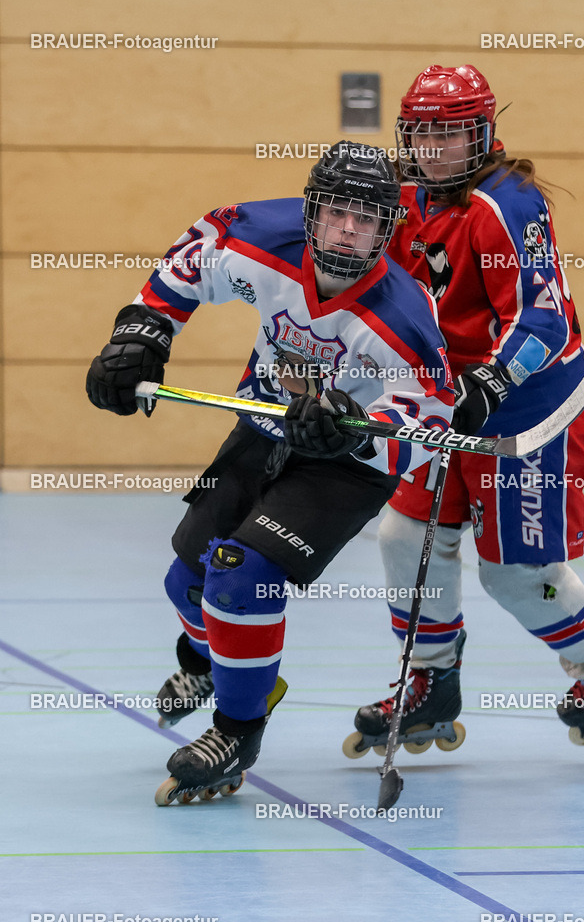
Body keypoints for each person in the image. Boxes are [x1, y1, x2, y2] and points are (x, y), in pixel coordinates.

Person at [86, 142, 455, 801]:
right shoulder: (260, 238)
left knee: (240, 576)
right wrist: (142, 331)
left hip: (347, 465)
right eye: (337, 212)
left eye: (366, 219)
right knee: (187, 577)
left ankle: (237, 728)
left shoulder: (402, 314)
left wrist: (354, 425)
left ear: (385, 230)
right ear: (312, 211)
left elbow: (429, 413)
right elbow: (192, 256)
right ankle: (215, 664)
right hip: (261, 426)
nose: (348, 230)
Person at [351, 65, 584, 750]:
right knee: (404, 537)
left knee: (516, 573)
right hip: (449, 404)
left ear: (483, 133)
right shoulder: (404, 197)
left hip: (533, 411)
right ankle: (432, 680)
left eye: (450, 134)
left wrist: (491, 384)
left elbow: (542, 321)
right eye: (420, 133)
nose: (432, 148)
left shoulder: (508, 203)